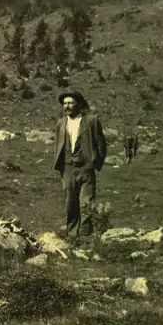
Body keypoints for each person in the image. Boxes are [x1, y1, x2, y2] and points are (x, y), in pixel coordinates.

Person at [53, 90, 108, 239]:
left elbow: (101, 145)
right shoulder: (60, 124)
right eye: (65, 104)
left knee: (87, 203)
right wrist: (61, 166)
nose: (67, 106)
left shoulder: (91, 121)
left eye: (70, 103)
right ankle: (72, 235)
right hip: (67, 168)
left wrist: (94, 164)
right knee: (70, 203)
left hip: (85, 168)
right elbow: (58, 145)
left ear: (78, 103)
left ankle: (85, 237)